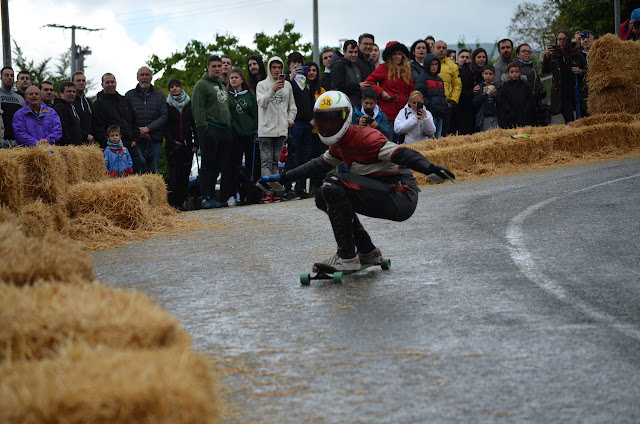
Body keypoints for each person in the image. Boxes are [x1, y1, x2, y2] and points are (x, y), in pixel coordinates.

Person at [258, 90, 455, 272]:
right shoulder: (340, 144)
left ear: (346, 117)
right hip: (384, 193)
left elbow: (401, 152)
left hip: (400, 194)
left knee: (333, 184)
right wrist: (283, 178)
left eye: (333, 120)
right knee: (322, 195)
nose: (328, 126)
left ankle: (347, 257)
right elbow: (317, 165)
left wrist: (428, 167)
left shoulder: (365, 137)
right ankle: (367, 251)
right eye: (323, 121)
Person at [192, 55, 233, 209]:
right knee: (208, 164)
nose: (217, 69)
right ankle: (206, 197)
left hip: (224, 129)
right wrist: (204, 128)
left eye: (219, 66)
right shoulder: (201, 85)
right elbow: (198, 109)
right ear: (208, 67)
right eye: (214, 66)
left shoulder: (222, 85)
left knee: (219, 164)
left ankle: (213, 196)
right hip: (210, 128)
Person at [256, 56, 297, 202]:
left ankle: (273, 192)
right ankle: (267, 192)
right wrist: (272, 90)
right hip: (266, 129)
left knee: (275, 162)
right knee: (266, 162)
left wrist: (290, 119)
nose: (277, 70)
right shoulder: (262, 85)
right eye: (274, 67)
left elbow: (292, 107)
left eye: (279, 67)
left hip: (281, 130)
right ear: (269, 68)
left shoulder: (288, 86)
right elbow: (261, 103)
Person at [365, 41, 414, 143]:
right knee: (389, 142)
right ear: (389, 56)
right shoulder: (383, 68)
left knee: (402, 143)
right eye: (394, 54)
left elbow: (411, 90)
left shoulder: (406, 70)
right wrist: (381, 92)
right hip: (388, 114)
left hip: (403, 113)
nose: (397, 57)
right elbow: (368, 82)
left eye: (399, 54)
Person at [125, 66, 168, 173]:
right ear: (137, 78)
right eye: (142, 75)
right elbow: (126, 118)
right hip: (136, 140)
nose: (144, 77)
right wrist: (140, 131)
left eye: (147, 75)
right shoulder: (129, 96)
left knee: (153, 172)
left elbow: (164, 116)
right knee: (138, 170)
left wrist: (148, 128)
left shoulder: (160, 96)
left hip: (154, 140)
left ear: (151, 77)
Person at [225, 69, 257, 206]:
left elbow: (255, 113)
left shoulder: (250, 95)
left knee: (250, 165)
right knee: (235, 166)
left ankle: (249, 194)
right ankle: (234, 194)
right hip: (235, 135)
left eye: (236, 77)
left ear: (242, 79)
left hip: (250, 134)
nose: (233, 80)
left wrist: (256, 131)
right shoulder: (228, 96)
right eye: (231, 77)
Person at [165, 78, 198, 210]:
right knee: (174, 176)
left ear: (181, 88)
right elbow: (165, 126)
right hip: (172, 145)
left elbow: (194, 124)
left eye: (177, 86)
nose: (174, 88)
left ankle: (182, 201)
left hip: (187, 144)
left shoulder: (189, 104)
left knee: (185, 174)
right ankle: (173, 203)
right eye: (171, 87)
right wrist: (172, 141)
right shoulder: (167, 105)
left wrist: (196, 142)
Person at [285, 51, 314, 199]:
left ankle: (301, 188)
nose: (297, 66)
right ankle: (287, 187)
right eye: (293, 63)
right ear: (289, 65)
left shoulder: (306, 81)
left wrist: (312, 118)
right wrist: (290, 78)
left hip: (307, 123)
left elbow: (310, 100)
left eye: (299, 63)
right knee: (292, 156)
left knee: (305, 157)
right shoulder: (287, 80)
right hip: (294, 123)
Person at [542, 30, 587, 124]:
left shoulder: (576, 54)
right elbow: (546, 71)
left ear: (568, 41)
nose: (561, 41)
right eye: (559, 39)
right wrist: (547, 56)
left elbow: (587, 70)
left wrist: (580, 71)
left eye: (564, 39)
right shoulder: (553, 56)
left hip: (576, 91)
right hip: (561, 94)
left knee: (581, 118)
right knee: (569, 120)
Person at [92, 73, 137, 150]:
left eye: (112, 82)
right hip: (111, 147)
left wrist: (135, 139)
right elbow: (97, 127)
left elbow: (134, 120)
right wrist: (106, 144)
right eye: (107, 82)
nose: (110, 85)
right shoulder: (98, 104)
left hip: (130, 144)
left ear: (116, 83)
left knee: (141, 162)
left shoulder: (124, 100)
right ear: (102, 85)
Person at [305, 60, 327, 191]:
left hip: (318, 130)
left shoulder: (322, 90)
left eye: (314, 70)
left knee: (318, 158)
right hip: (305, 128)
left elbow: (325, 109)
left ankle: (318, 185)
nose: (311, 73)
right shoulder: (302, 88)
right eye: (309, 70)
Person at [414, 53, 447, 138]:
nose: (434, 66)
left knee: (437, 139)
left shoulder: (440, 79)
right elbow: (419, 95)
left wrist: (444, 106)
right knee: (429, 139)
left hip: (440, 113)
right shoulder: (422, 78)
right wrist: (430, 105)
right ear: (427, 65)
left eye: (436, 64)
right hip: (429, 114)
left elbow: (442, 95)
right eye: (432, 64)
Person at [434, 40, 461, 136]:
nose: (441, 50)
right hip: (431, 106)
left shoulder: (452, 66)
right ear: (433, 49)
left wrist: (453, 101)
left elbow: (457, 85)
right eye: (438, 48)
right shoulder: (427, 63)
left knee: (444, 134)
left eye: (443, 48)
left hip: (446, 105)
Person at [515, 43, 546, 125]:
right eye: (524, 51)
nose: (527, 53)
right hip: (521, 106)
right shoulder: (515, 68)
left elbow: (538, 81)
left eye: (529, 51)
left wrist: (542, 91)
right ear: (518, 54)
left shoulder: (532, 66)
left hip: (535, 104)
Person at [497, 62, 534, 129]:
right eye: (512, 72)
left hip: (523, 116)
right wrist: (508, 110)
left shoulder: (525, 86)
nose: (514, 74)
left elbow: (530, 99)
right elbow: (501, 100)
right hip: (509, 118)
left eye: (516, 71)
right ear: (508, 73)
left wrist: (526, 110)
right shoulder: (504, 87)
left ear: (520, 72)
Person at [330, 40, 365, 107]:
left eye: (355, 52)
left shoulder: (356, 66)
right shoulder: (339, 65)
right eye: (350, 52)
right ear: (344, 52)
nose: (353, 55)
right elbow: (338, 87)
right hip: (342, 106)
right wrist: (358, 87)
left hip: (355, 106)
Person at [1, 66, 24, 148]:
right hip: (1, 140)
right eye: (6, 75)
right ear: (1, 78)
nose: (10, 78)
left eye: (12, 76)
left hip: (17, 141)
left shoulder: (20, 99)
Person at [53, 82, 83, 146]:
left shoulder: (72, 107)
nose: (72, 94)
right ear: (61, 93)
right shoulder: (60, 108)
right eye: (69, 91)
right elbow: (62, 129)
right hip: (67, 149)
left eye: (74, 92)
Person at [455, 49, 477, 135]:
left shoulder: (473, 73)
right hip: (456, 105)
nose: (464, 59)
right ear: (457, 59)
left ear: (470, 60)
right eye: (462, 57)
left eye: (467, 57)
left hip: (468, 106)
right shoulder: (452, 72)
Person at [472, 65, 499, 131]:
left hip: (495, 116)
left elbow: (501, 101)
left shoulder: (498, 86)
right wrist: (483, 94)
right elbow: (475, 102)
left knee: (496, 135)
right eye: (486, 74)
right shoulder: (479, 87)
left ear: (494, 75)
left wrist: (496, 95)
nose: (488, 76)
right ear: (482, 74)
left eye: (490, 74)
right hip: (483, 116)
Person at [71, 71, 94, 144]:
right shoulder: (70, 102)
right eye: (78, 81)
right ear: (72, 83)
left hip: (90, 143)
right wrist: (85, 135)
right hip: (76, 143)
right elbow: (71, 123)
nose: (81, 83)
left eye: (83, 81)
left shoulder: (88, 102)